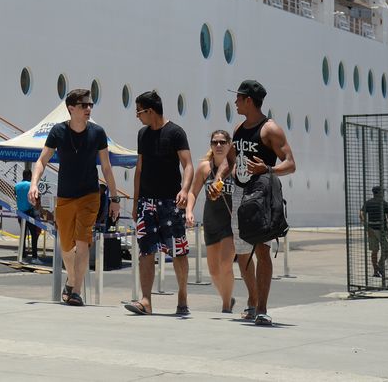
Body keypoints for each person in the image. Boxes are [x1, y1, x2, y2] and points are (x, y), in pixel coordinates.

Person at [28, 89, 121, 307]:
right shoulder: (58, 132)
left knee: (82, 242)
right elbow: (41, 161)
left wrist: (115, 199)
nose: (89, 109)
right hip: (65, 196)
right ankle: (71, 280)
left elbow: (106, 167)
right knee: (66, 246)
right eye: (84, 105)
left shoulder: (98, 133)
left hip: (90, 195)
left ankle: (76, 292)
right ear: (71, 109)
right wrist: (34, 184)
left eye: (90, 105)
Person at [224, 79, 296, 326]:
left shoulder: (270, 129)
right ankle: (252, 302)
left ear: (249, 100)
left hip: (262, 195)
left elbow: (291, 163)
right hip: (239, 195)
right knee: (242, 251)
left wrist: (267, 169)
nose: (235, 102)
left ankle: (263, 309)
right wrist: (226, 175)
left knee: (263, 249)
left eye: (238, 98)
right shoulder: (238, 129)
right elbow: (233, 160)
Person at [124, 91, 194, 317]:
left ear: (150, 111)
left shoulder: (175, 133)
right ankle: (146, 300)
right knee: (146, 251)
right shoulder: (143, 134)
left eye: (139, 111)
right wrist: (136, 203)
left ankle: (182, 296)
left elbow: (188, 165)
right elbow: (140, 169)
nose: (137, 116)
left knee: (179, 252)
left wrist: (184, 189)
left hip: (170, 203)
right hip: (146, 202)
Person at [187, 129, 235, 313]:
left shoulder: (235, 167)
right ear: (211, 146)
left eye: (223, 142)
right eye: (215, 142)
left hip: (230, 223)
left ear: (229, 144)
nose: (219, 145)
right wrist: (189, 211)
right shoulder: (204, 168)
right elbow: (193, 192)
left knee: (225, 264)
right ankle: (227, 298)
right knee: (214, 271)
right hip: (211, 221)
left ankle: (225, 307)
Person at [359, 186, 388, 278]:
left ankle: (376, 271)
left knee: (374, 251)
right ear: (378, 193)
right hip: (382, 229)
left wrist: (366, 226)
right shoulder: (384, 203)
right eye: (382, 192)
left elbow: (361, 214)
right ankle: (380, 264)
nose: (383, 194)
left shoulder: (368, 203)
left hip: (371, 229)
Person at [15, 167, 41, 263]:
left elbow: (16, 196)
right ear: (30, 175)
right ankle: (34, 257)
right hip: (29, 213)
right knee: (34, 235)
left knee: (23, 235)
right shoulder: (31, 185)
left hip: (20, 213)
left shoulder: (16, 185)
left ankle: (23, 255)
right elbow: (37, 198)